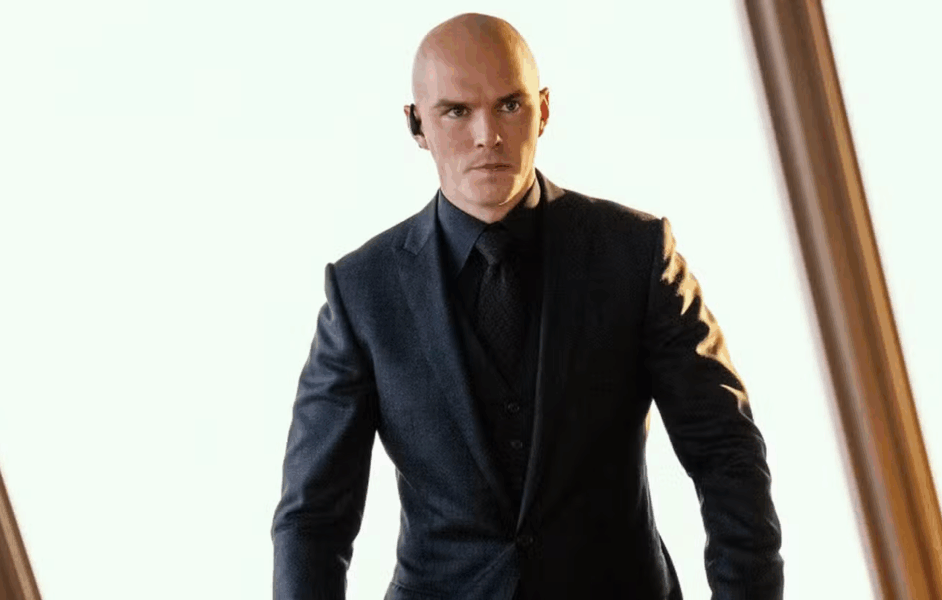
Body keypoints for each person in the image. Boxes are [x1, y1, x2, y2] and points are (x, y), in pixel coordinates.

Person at [272, 12, 783, 600]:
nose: (487, 135)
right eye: (456, 111)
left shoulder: (635, 255)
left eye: (509, 105)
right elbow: (314, 517)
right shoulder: (362, 291)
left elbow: (726, 453)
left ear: (543, 110)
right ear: (417, 125)